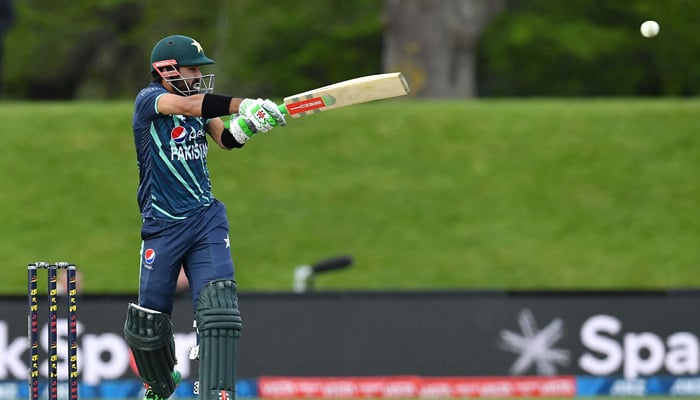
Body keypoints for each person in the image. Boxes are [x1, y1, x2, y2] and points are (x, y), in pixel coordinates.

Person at [122, 34, 286, 400]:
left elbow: (225, 139)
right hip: (163, 224)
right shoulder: (150, 100)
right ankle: (159, 384)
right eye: (193, 68)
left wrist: (249, 126)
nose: (198, 74)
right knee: (149, 325)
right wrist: (245, 103)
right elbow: (195, 107)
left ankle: (217, 393)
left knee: (219, 310)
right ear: (167, 70)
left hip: (205, 218)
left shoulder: (197, 106)